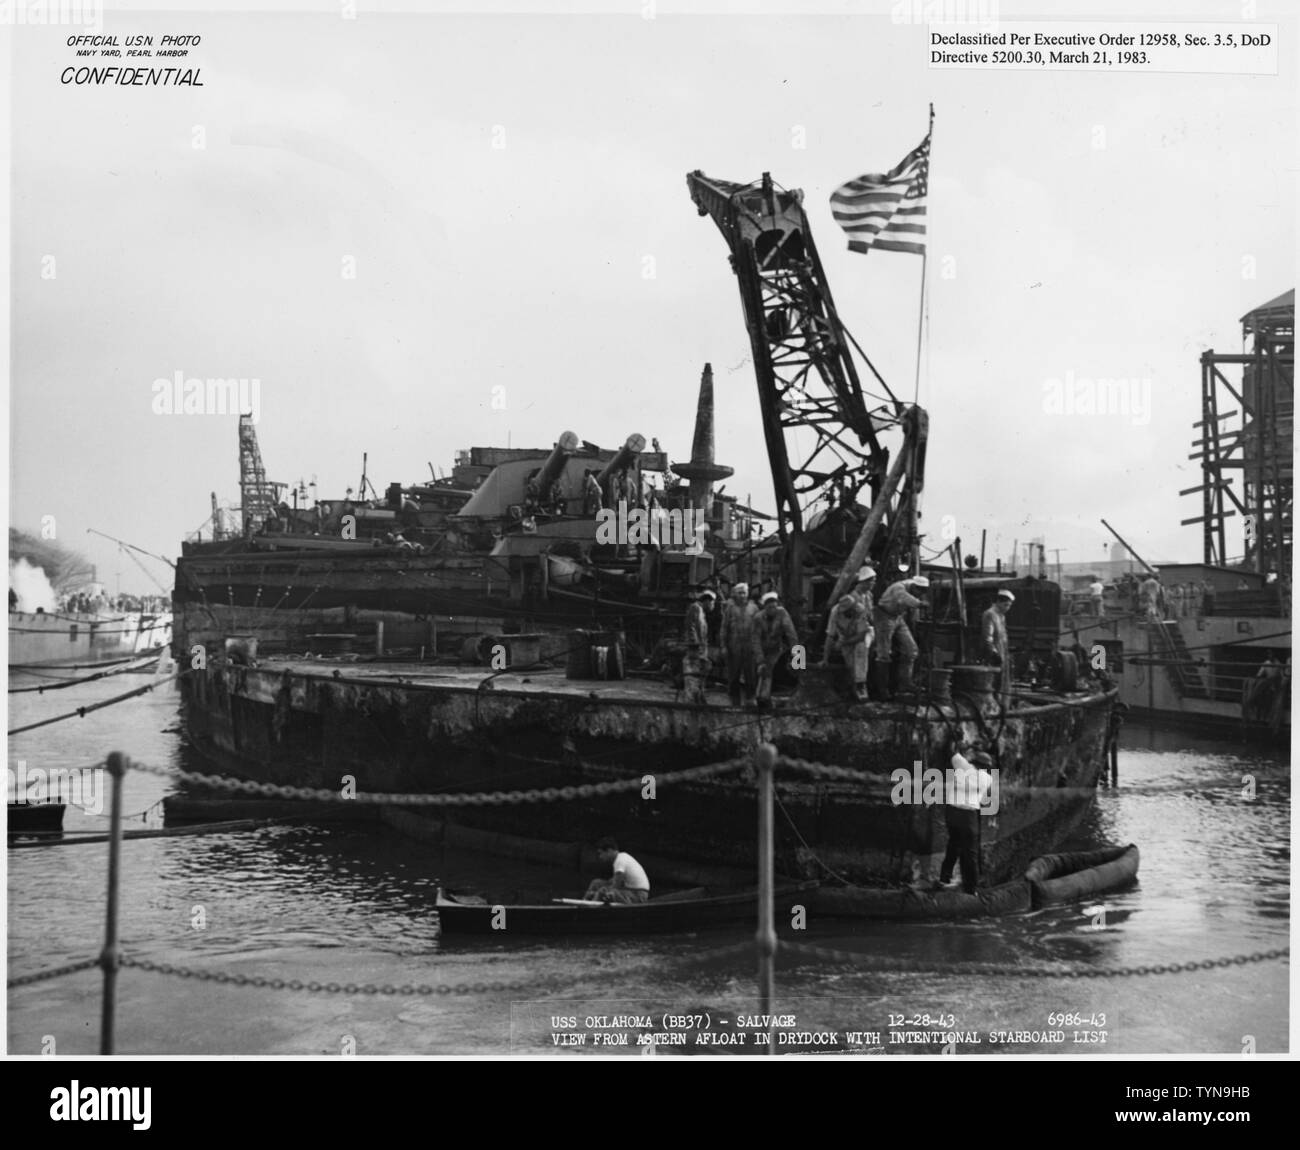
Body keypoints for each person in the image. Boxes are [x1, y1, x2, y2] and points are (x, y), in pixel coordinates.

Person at [937, 749, 994, 894]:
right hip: (968, 816)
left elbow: (954, 754)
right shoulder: (987, 779)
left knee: (953, 845)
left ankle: (944, 878)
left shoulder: (961, 766)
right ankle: (971, 889)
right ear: (986, 767)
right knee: (970, 853)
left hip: (951, 813)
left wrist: (963, 750)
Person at [824, 566, 876, 701]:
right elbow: (830, 635)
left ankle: (861, 686)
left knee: (861, 648)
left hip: (863, 634)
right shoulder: (836, 612)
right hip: (846, 635)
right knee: (851, 664)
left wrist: (843, 642)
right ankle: (853, 691)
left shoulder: (860, 610)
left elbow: (862, 634)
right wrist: (825, 658)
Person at [872, 574, 929, 697]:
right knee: (883, 654)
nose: (919, 594)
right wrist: (920, 603)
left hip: (897, 617)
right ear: (914, 586)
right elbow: (905, 598)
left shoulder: (912, 589)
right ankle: (882, 690)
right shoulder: (899, 587)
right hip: (883, 616)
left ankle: (905, 683)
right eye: (919, 591)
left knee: (911, 650)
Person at [753, 591, 799, 709]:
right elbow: (756, 640)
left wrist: (797, 656)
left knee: (769, 670)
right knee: (761, 670)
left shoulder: (782, 613)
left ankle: (765, 697)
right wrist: (760, 660)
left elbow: (791, 633)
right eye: (769, 607)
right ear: (764, 608)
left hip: (775, 648)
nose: (772, 609)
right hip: (761, 648)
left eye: (774, 606)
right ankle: (759, 698)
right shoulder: (758, 618)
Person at [720, 582, 758, 706]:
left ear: (747, 594)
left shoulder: (753, 608)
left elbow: (759, 629)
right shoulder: (730, 609)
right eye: (739, 593)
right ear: (735, 594)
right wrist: (724, 646)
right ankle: (734, 702)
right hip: (734, 647)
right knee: (733, 676)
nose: (742, 596)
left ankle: (750, 700)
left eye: (744, 593)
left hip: (749, 647)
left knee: (750, 675)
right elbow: (724, 628)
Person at [584, 837, 650, 904]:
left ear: (609, 851)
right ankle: (584, 901)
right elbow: (612, 882)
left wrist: (599, 891)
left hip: (637, 895)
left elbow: (616, 885)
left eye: (600, 853)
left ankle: (590, 908)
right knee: (596, 883)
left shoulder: (620, 860)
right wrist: (596, 888)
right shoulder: (622, 857)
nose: (600, 857)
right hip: (631, 891)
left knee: (603, 891)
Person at [681, 588, 714, 704]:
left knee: (701, 674)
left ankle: (699, 697)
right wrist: (694, 645)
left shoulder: (701, 612)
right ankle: (691, 700)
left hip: (700, 649)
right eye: (712, 602)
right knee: (693, 676)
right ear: (707, 601)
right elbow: (690, 627)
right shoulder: (695, 608)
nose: (713, 605)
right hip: (695, 650)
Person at [980, 589, 1014, 695]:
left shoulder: (1001, 616)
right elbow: (987, 637)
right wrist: (994, 653)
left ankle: (1001, 703)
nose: (1007, 608)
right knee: (993, 681)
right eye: (1005, 605)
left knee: (1001, 682)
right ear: (998, 602)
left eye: (1009, 605)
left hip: (1002, 650)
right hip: (993, 653)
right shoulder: (990, 614)